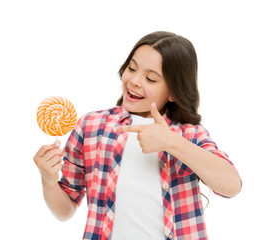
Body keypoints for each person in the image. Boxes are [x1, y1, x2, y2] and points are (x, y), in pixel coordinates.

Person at [33, 31, 242, 240]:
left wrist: (171, 141)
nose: (134, 81)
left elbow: (231, 187)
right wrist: (48, 180)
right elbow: (64, 211)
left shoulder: (188, 133)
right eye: (131, 68)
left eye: (150, 78)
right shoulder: (91, 126)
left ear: (173, 92)